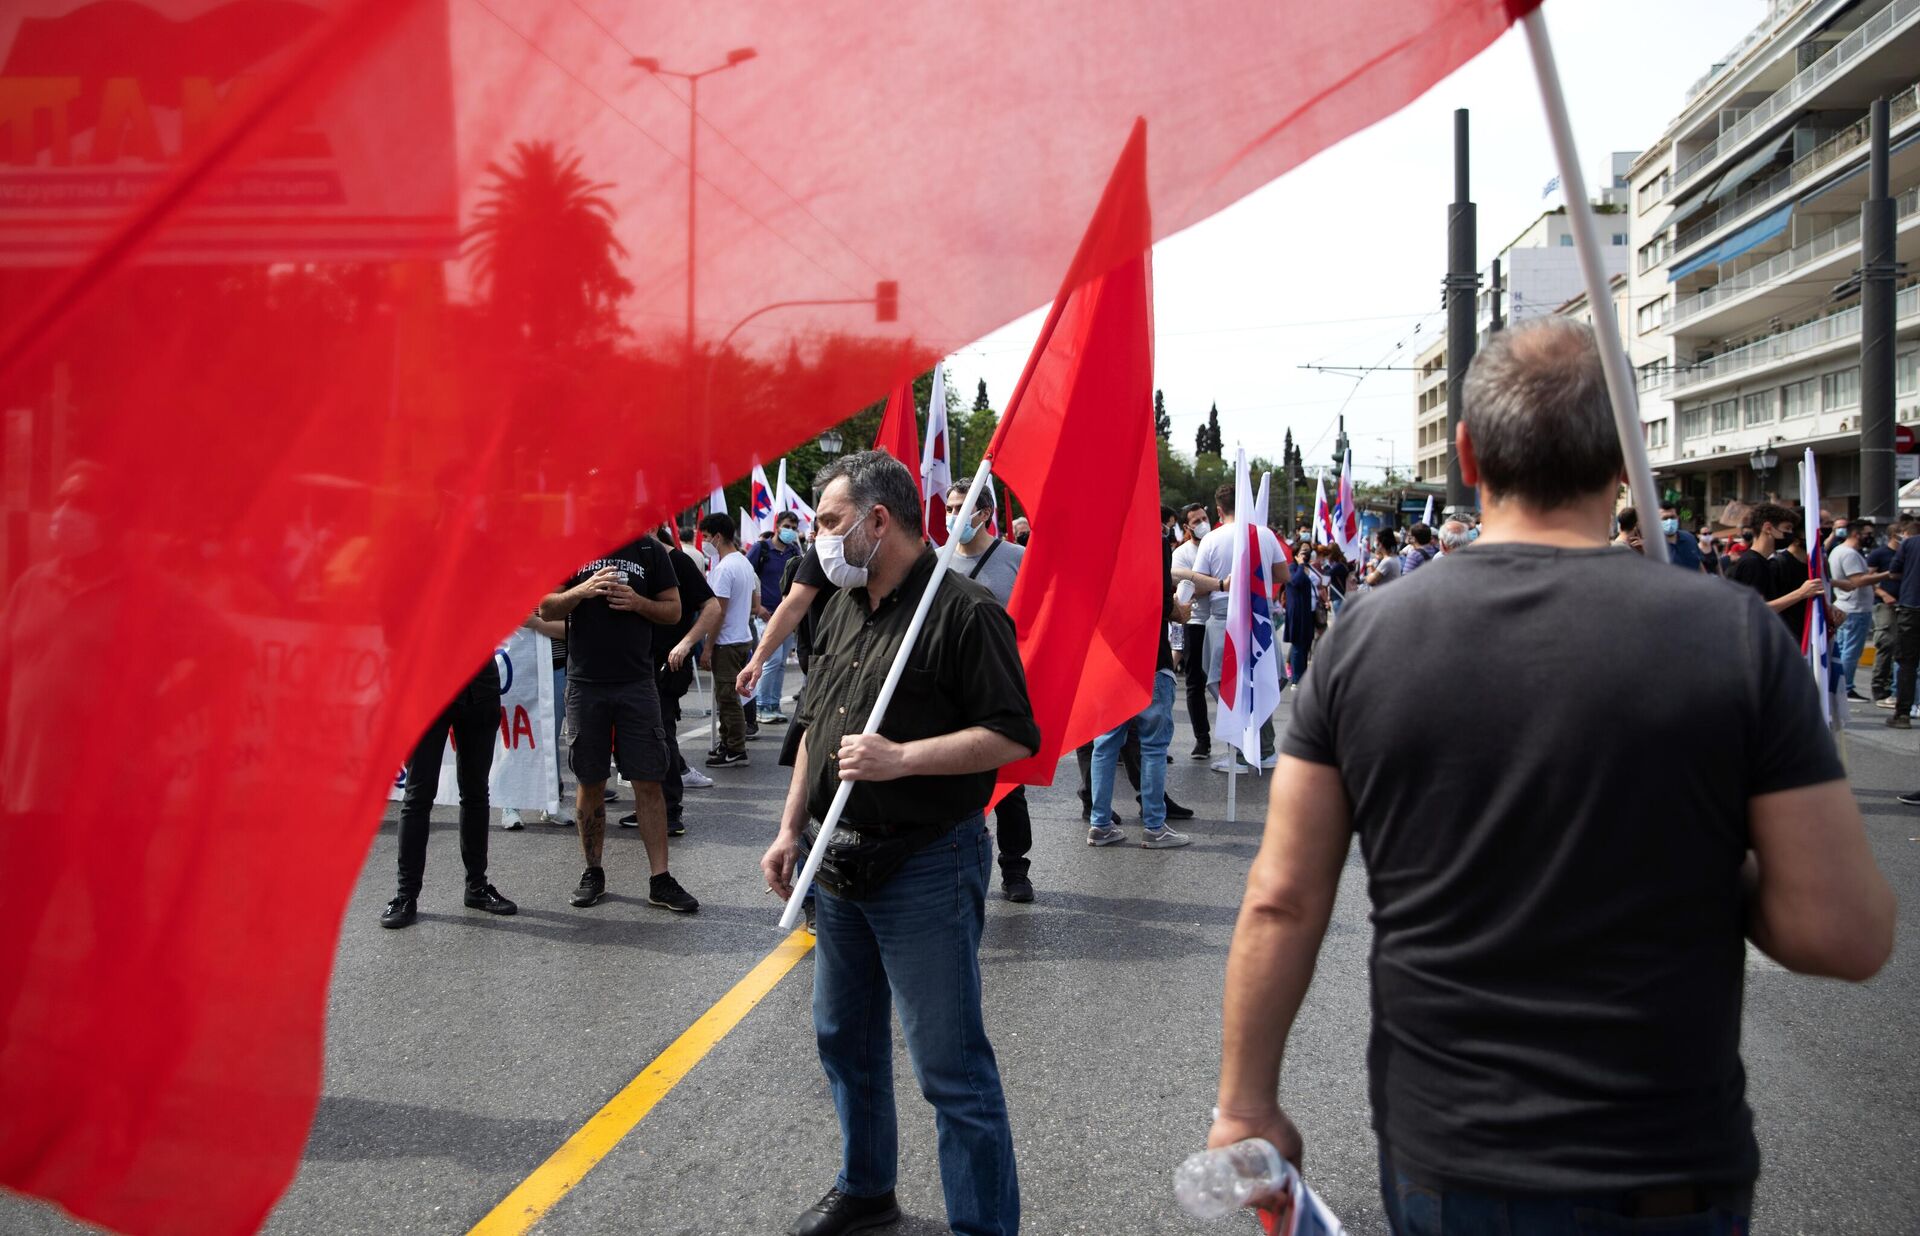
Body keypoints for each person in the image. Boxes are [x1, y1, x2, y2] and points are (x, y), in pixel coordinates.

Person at [1208, 318, 1893, 1232]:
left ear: (1466, 453)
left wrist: (1246, 1105)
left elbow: (1283, 900)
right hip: (1666, 1166)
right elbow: (1842, 934)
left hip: (1448, 1158)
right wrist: (1711, 848)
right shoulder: (1733, 637)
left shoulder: (1364, 639)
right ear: (1626, 457)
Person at [762, 451, 1038, 1236]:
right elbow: (816, 725)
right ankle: (867, 1188)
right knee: (843, 1038)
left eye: (828, 522)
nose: (817, 540)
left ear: (877, 521)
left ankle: (982, 1226)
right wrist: (790, 831)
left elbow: (1012, 736)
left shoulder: (963, 610)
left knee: (950, 1070)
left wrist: (904, 758)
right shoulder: (844, 605)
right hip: (839, 859)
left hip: (926, 863)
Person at [539, 530, 699, 914]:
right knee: (590, 779)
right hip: (585, 683)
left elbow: (674, 610)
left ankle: (660, 879)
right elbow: (546, 608)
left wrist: (637, 601)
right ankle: (593, 872)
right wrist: (582, 591)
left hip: (637, 682)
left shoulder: (648, 548)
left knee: (648, 779)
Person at [943, 483, 1040, 901]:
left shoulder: (1018, 560)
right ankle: (955, 869)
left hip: (1002, 689)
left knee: (1009, 788)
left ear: (984, 512)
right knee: (952, 784)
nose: (952, 516)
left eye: (960, 508)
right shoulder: (936, 562)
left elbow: (1040, 621)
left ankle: (1015, 870)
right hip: (950, 693)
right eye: (948, 508)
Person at [381, 657, 517, 927]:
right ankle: (405, 895)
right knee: (418, 797)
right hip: (426, 690)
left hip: (480, 686)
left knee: (476, 792)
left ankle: (477, 887)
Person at [1087, 516, 1190, 849]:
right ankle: (1155, 827)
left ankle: (1100, 823)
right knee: (1153, 748)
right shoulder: (1153, 541)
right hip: (1149, 660)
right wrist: (1178, 609)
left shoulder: (1098, 539)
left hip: (1108, 660)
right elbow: (1159, 601)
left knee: (1105, 745)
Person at [631, 526, 721, 835]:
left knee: (661, 734)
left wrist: (687, 643)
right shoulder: (627, 559)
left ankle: (670, 810)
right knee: (639, 738)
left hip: (667, 665)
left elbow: (712, 606)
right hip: (634, 664)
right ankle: (648, 805)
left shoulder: (677, 561)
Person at [1189, 481, 1283, 771]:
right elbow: (1283, 574)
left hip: (1224, 616)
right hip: (1260, 615)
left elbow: (1199, 584)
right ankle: (1264, 748)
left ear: (1218, 510)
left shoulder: (1212, 539)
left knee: (1226, 682)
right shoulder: (1265, 535)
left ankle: (1242, 752)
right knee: (1263, 678)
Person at [698, 512, 760, 767]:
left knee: (727, 698)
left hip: (727, 641)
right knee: (728, 696)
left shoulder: (725, 568)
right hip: (740, 637)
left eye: (705, 537)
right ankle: (728, 742)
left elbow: (718, 612)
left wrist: (708, 647)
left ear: (718, 536)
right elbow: (755, 603)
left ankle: (735, 748)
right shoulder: (743, 562)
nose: (704, 543)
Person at [748, 511, 804, 724]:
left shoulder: (793, 552)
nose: (790, 531)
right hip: (765, 614)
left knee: (780, 662)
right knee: (771, 659)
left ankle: (773, 704)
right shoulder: (761, 549)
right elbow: (747, 576)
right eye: (787, 526)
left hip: (787, 615)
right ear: (778, 526)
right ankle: (762, 705)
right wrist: (757, 606)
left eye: (793, 527)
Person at [1726, 502, 1822, 621]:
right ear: (1768, 528)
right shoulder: (1753, 563)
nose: (1791, 534)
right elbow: (1756, 610)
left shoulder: (1759, 561)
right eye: (1787, 528)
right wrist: (1801, 593)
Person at [1827, 518, 1888, 702]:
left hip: (1849, 607)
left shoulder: (1842, 551)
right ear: (1856, 534)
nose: (1870, 537)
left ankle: (1842, 687)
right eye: (1867, 533)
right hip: (1855, 608)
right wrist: (1887, 574)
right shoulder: (1849, 554)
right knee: (1851, 652)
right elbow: (1857, 581)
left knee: (1845, 650)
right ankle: (1845, 688)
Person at [1171, 502, 1213, 759]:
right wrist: (1216, 584)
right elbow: (1184, 588)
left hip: (1221, 621)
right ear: (1187, 527)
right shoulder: (1182, 554)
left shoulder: (1219, 544)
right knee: (1195, 683)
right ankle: (1202, 740)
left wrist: (1206, 584)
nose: (1202, 524)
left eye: (1204, 518)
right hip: (1194, 624)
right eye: (1196, 521)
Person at [1880, 513, 1920, 731]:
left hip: (1912, 607)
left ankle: (1902, 714)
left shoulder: (1910, 543)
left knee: (1907, 663)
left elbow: (1894, 571)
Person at [1870, 521, 1903, 704]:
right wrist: (1883, 594)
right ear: (1894, 535)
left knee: (1901, 646)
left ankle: (1892, 686)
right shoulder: (1879, 554)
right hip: (1885, 604)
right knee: (1886, 643)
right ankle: (1879, 686)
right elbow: (1867, 579)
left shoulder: (1907, 553)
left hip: (1903, 604)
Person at [1661, 504, 1704, 573]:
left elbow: (1699, 564)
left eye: (1672, 517)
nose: (1669, 521)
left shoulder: (1690, 538)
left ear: (1677, 518)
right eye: (1665, 518)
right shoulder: (1654, 546)